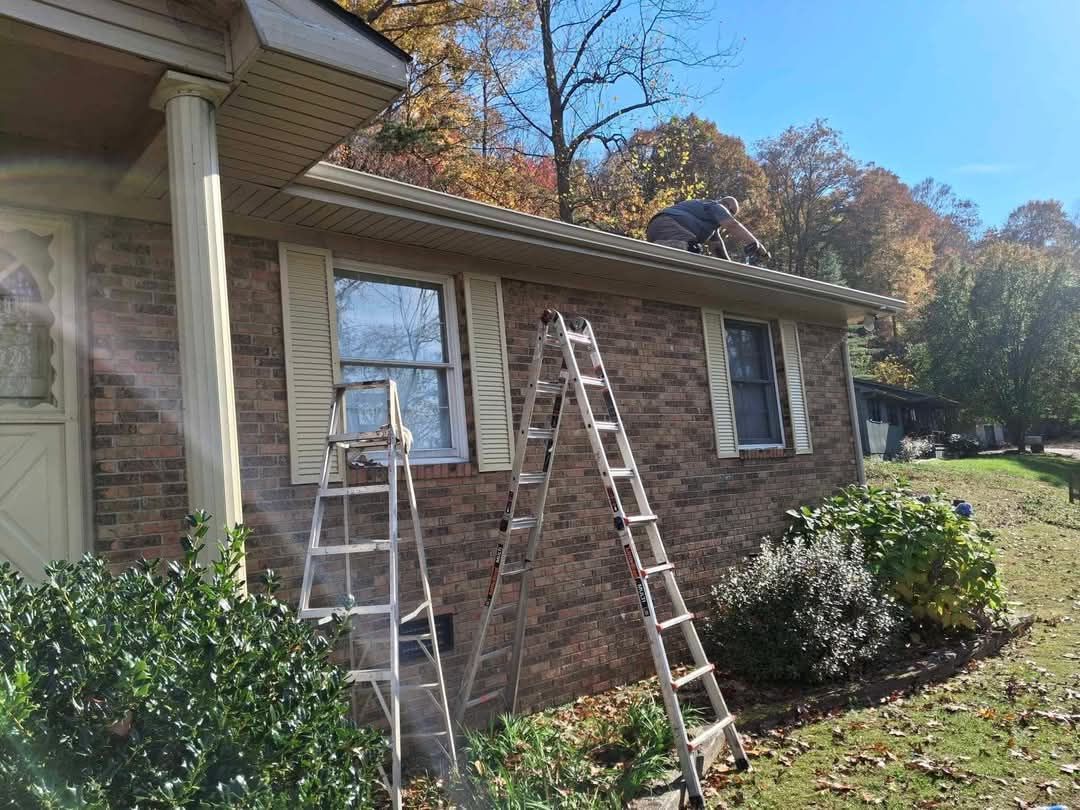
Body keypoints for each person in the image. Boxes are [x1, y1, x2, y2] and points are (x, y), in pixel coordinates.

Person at [645, 196, 769, 262]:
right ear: (725, 205)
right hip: (667, 224)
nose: (730, 215)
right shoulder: (715, 206)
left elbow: (718, 251)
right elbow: (733, 225)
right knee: (691, 249)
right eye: (731, 212)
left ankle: (662, 250)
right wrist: (759, 247)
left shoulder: (711, 229)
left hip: (658, 229)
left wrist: (730, 270)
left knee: (694, 250)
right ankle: (653, 251)